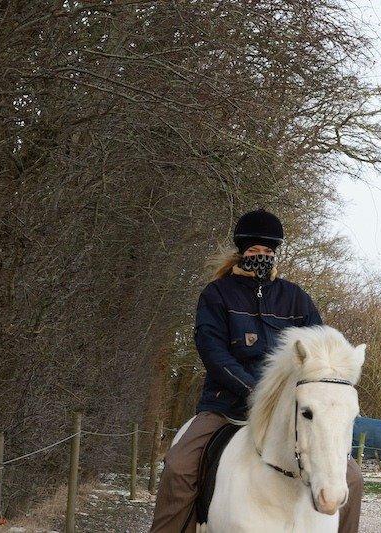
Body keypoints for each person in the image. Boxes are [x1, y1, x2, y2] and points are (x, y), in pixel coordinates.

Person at [150, 209, 364, 532]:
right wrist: (257, 394)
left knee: (353, 478)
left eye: (267, 252)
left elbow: (320, 356)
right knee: (179, 467)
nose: (261, 257)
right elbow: (213, 353)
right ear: (242, 252)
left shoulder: (296, 300)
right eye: (254, 251)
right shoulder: (217, 295)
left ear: (275, 253)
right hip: (226, 407)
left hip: (287, 414)